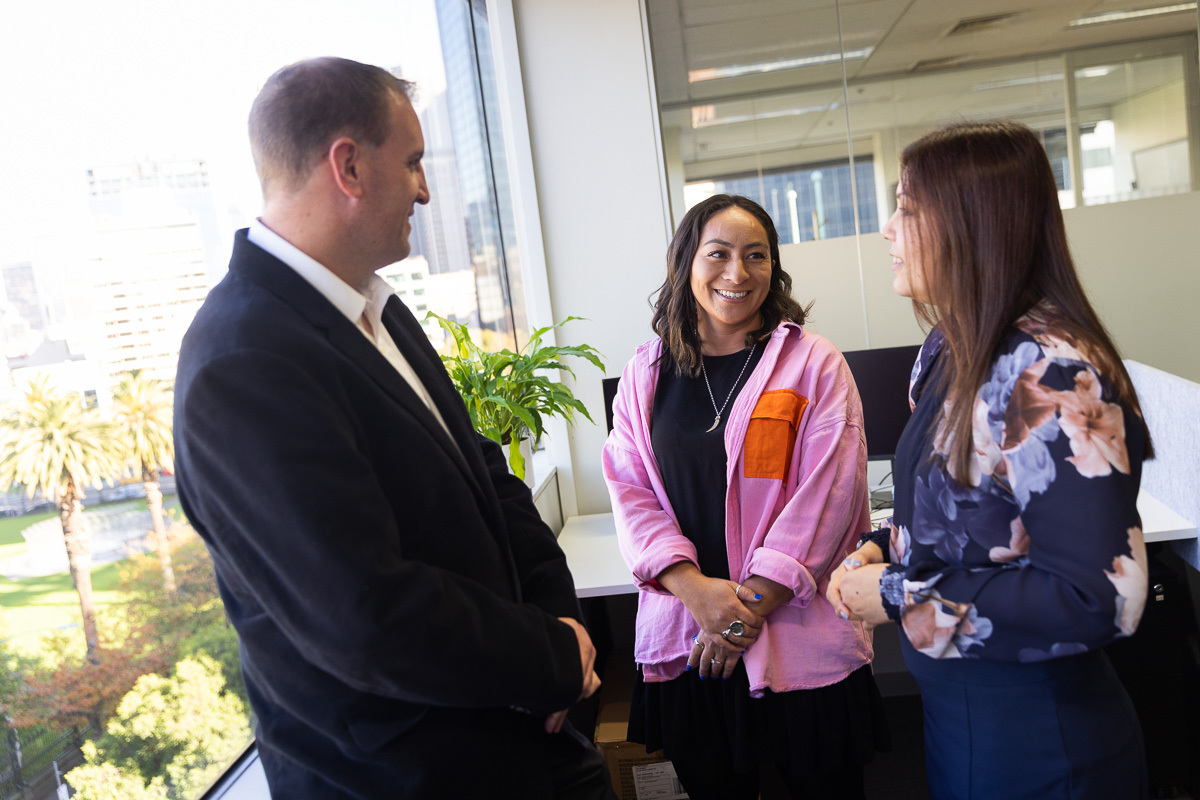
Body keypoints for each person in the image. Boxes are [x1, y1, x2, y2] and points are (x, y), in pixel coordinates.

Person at [173, 57, 614, 799]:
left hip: (522, 744)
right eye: (411, 162)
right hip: (408, 779)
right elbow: (365, 614)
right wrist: (551, 659)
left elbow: (489, 484)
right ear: (348, 165)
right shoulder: (242, 361)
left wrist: (563, 630)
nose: (425, 187)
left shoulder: (381, 311)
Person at [828, 120, 1153, 800]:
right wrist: (880, 545)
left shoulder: (1051, 375)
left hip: (1040, 737)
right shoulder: (953, 349)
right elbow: (969, 510)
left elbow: (1100, 599)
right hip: (961, 721)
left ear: (973, 224)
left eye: (907, 209)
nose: (887, 229)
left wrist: (897, 595)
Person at [601, 194, 888, 800]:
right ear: (686, 264)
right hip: (689, 641)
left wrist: (740, 613)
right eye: (719, 254)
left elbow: (828, 500)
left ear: (774, 269)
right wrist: (696, 593)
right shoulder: (645, 374)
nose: (738, 273)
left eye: (756, 256)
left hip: (796, 642)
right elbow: (630, 494)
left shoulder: (814, 364)